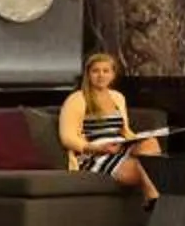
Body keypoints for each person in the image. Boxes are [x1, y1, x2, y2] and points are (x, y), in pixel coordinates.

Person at [60, 50, 162, 205]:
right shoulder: (77, 99)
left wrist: (135, 140)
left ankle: (153, 199)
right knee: (148, 169)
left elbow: (124, 130)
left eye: (105, 71)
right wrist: (96, 148)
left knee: (151, 142)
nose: (101, 75)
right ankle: (153, 198)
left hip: (120, 145)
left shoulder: (118, 97)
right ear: (88, 74)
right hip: (94, 152)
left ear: (113, 75)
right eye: (96, 71)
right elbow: (67, 138)